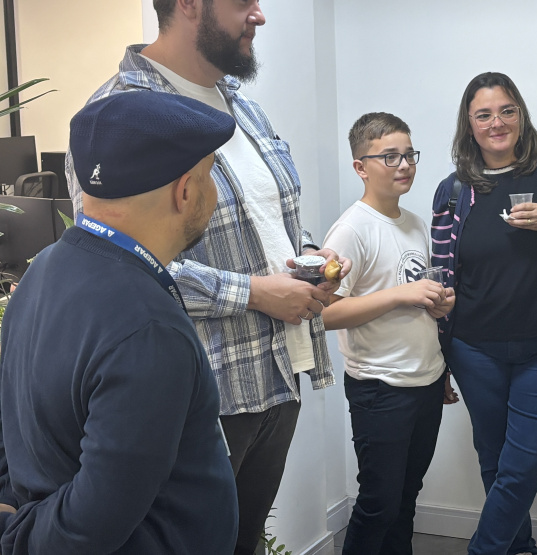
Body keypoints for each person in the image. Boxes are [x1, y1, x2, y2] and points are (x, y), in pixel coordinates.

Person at [64, 2, 349, 553]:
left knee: (242, 543)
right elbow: (112, 256)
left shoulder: (244, 109)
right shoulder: (118, 115)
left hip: (276, 375)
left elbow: (268, 222)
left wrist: (311, 260)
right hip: (203, 388)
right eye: (243, 1)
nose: (259, 16)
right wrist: (254, 293)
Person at [0, 91, 238, 553]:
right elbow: (89, 525)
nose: (214, 194)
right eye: (210, 177)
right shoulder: (148, 328)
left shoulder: (44, 268)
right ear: (184, 189)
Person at [430, 71, 537, 555]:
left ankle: (483, 549)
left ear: (521, 115)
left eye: (507, 110)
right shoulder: (453, 190)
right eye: (484, 114)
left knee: (523, 464)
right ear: (469, 123)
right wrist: (442, 356)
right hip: (473, 350)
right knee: (494, 458)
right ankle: (517, 548)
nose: (497, 122)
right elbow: (442, 277)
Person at [321, 112, 457, 555]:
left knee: (405, 499)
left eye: (409, 155)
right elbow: (324, 313)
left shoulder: (415, 223)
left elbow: (417, 297)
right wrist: (401, 295)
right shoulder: (351, 230)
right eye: (390, 157)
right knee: (378, 505)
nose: (404, 165)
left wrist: (437, 303)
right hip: (380, 387)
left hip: (426, 380)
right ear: (361, 166)